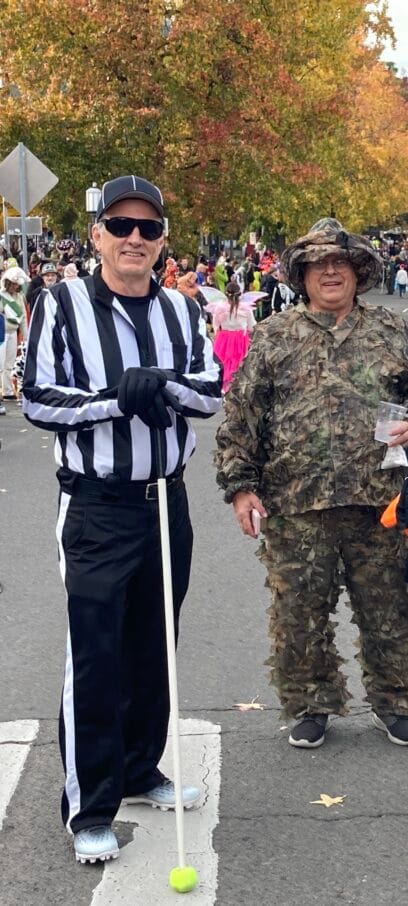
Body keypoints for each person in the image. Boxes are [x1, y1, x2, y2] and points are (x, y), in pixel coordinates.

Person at [20, 175, 222, 864]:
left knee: (153, 645)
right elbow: (39, 401)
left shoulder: (180, 310)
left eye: (149, 228)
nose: (135, 238)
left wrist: (160, 385)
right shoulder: (60, 303)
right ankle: (90, 803)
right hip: (98, 504)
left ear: (164, 239)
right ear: (98, 234)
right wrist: (116, 400)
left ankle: (140, 769)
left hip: (167, 497)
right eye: (121, 225)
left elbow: (210, 391)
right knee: (97, 653)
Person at [215, 218, 408, 751]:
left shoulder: (391, 331)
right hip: (295, 501)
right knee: (298, 613)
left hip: (379, 498)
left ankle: (395, 700)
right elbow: (241, 416)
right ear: (303, 276)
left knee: (388, 607)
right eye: (318, 264)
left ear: (358, 273)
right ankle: (311, 703)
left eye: (341, 263)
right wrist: (241, 487)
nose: (330, 271)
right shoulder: (273, 336)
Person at [207, 279, 257, 392]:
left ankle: (224, 388)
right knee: (238, 364)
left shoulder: (219, 308)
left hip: (223, 339)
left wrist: (218, 335)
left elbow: (215, 325)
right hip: (240, 340)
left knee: (223, 363)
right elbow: (252, 326)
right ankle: (236, 388)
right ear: (240, 294)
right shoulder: (246, 309)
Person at [1, 266, 28, 399]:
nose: (15, 286)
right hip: (1, 333)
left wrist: (26, 336)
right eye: (13, 284)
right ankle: (4, 389)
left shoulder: (19, 296)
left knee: (10, 363)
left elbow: (22, 317)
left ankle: (8, 391)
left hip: (12, 332)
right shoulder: (1, 296)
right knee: (1, 363)